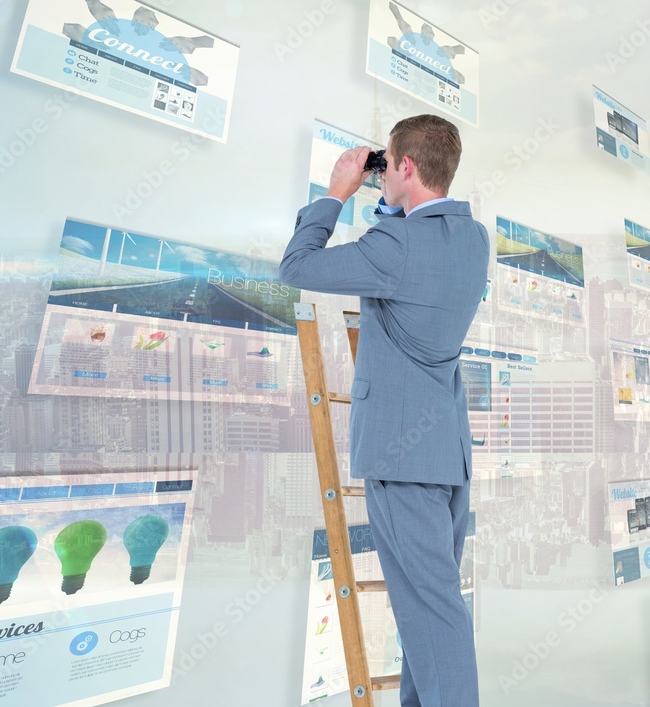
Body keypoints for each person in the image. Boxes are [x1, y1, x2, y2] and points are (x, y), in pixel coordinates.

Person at [280, 114, 488, 707]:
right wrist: (389, 195)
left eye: (389, 165)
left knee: (435, 616)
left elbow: (297, 266)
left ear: (406, 166)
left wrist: (336, 192)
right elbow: (404, 244)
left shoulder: (393, 248)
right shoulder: (472, 239)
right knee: (427, 612)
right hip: (445, 456)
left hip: (403, 460)